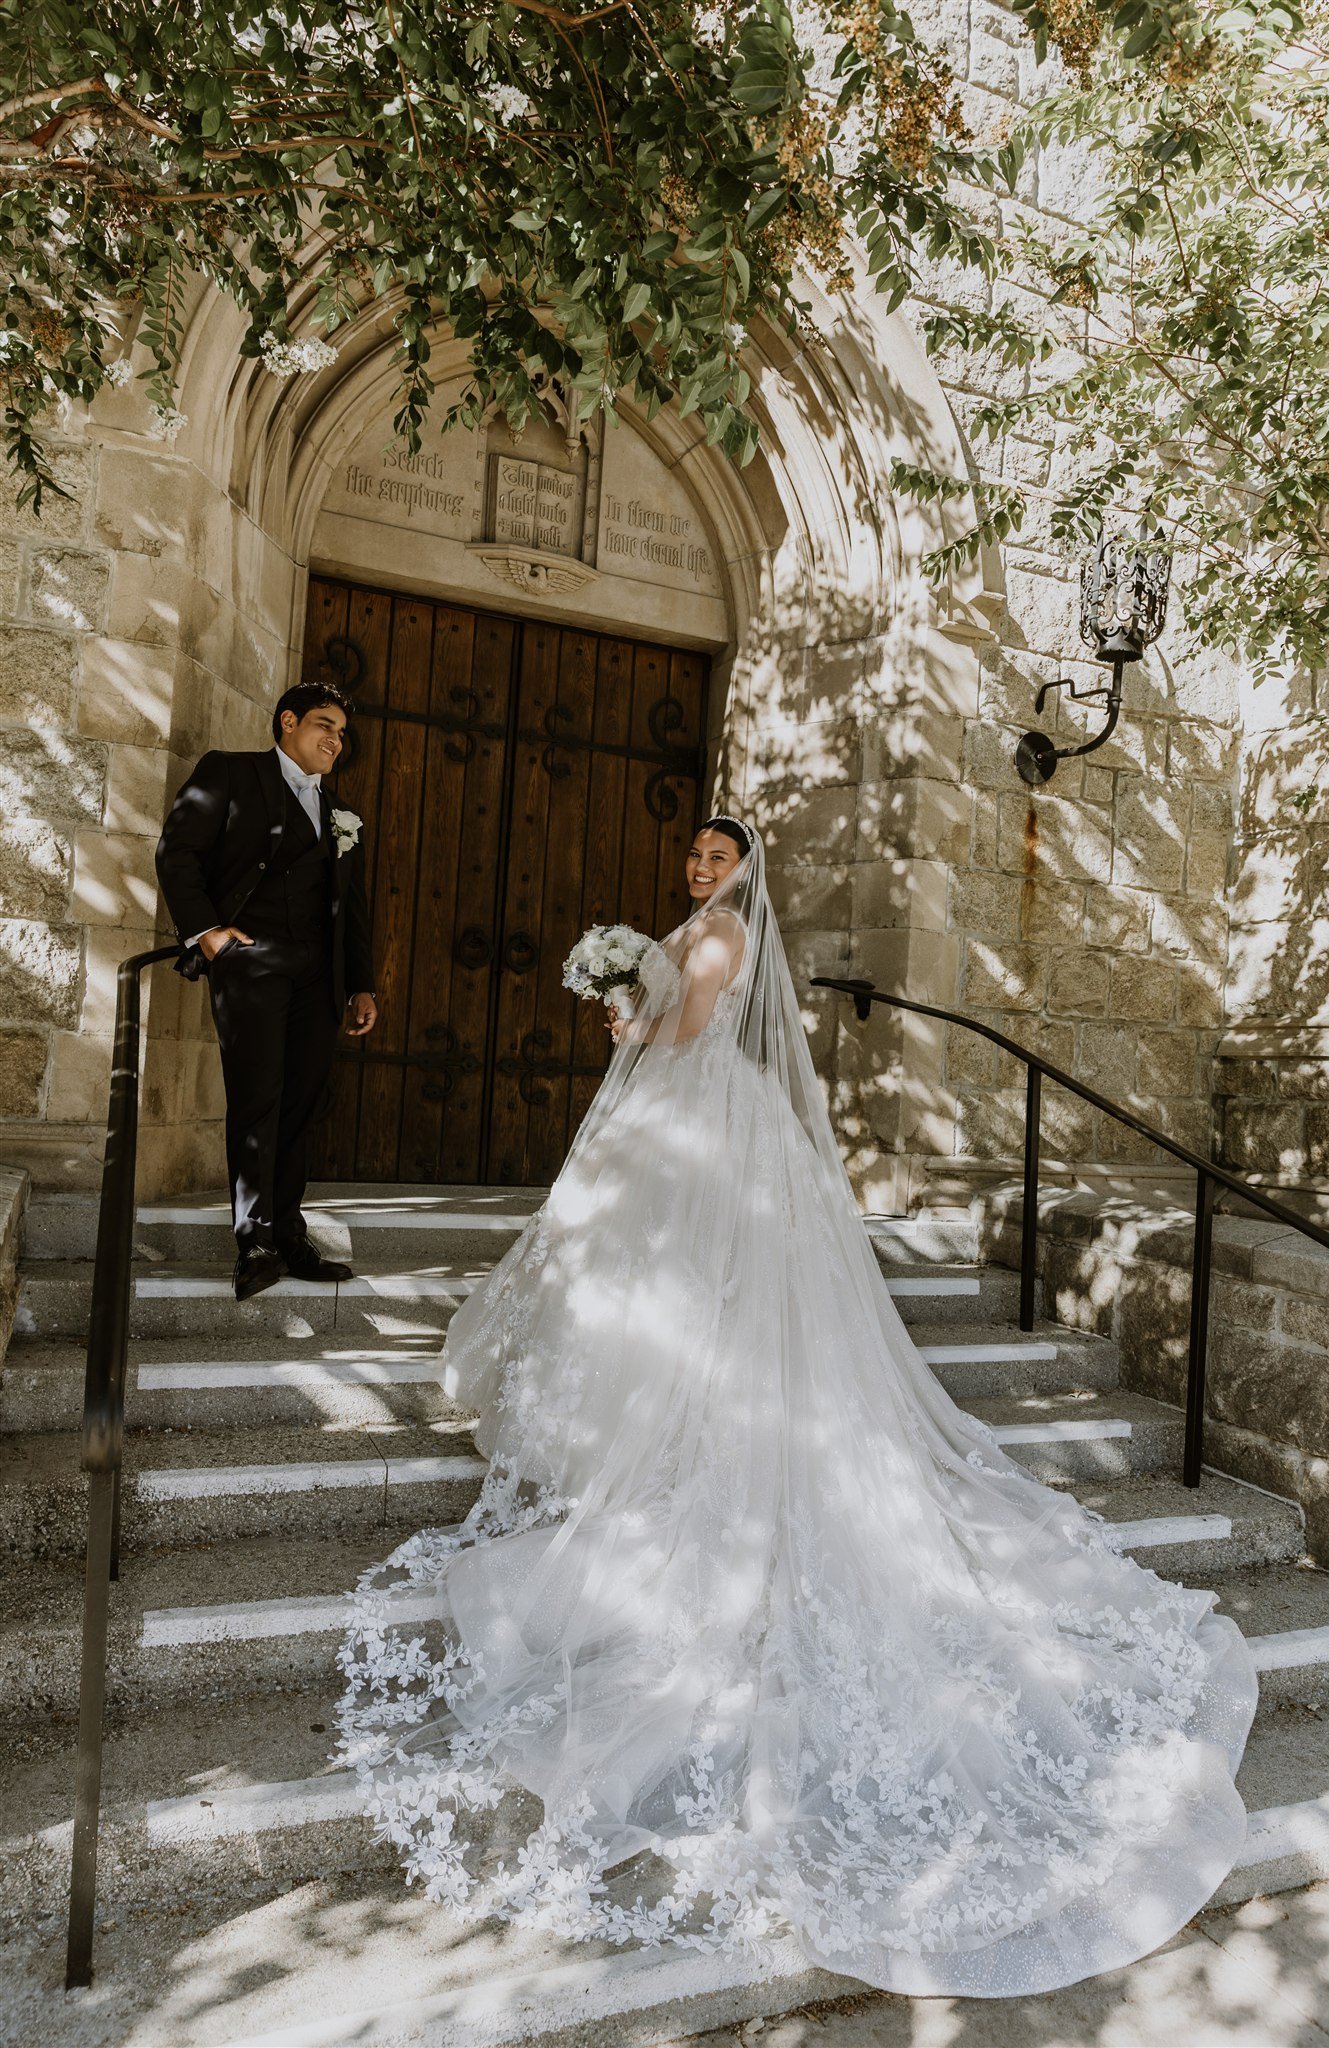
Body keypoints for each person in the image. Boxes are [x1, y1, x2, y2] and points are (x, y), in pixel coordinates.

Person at [336, 816, 1256, 1998]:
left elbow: (689, 1024)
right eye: (692, 858)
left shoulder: (716, 938)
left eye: (714, 858)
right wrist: (630, 989)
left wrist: (627, 1007)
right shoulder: (696, 926)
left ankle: (676, 1454)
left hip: (698, 1123)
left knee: (695, 1291)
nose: (698, 871)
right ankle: (656, 1438)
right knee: (669, 1298)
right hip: (693, 1127)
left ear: (741, 873)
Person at [155, 683, 378, 1300]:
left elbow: (351, 906)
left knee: (302, 1103)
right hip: (251, 963)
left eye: (342, 733)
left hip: (318, 976)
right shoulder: (229, 773)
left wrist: (361, 983)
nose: (336, 740)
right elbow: (178, 852)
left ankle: (289, 1234)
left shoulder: (340, 812)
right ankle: (253, 1240)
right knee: (259, 1099)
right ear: (287, 723)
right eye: (324, 726)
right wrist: (206, 934)